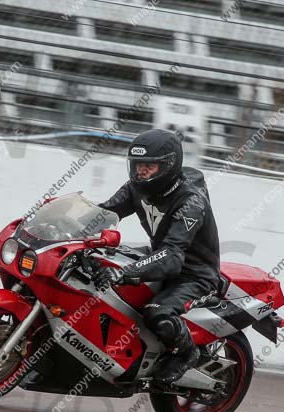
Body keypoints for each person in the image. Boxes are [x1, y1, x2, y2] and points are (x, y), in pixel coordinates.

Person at [93, 129, 221, 384]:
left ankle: (187, 354)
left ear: (169, 166)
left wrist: (125, 273)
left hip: (193, 274)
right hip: (159, 258)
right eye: (137, 165)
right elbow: (104, 213)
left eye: (148, 166)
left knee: (157, 312)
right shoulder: (136, 188)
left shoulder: (191, 202)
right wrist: (64, 224)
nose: (141, 171)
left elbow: (173, 257)